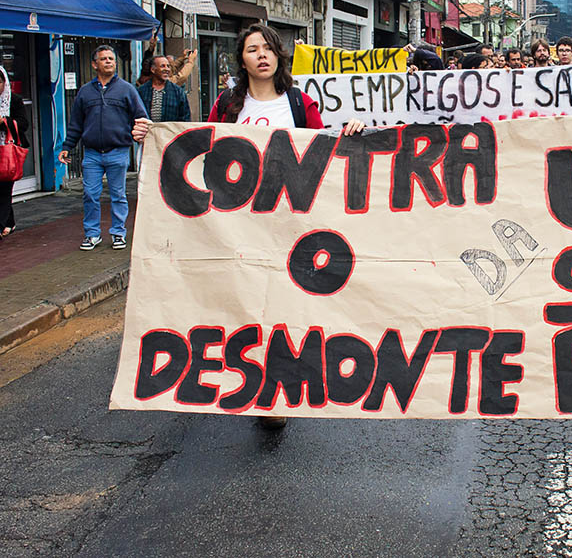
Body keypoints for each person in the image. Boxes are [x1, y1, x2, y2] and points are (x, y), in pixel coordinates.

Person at [133, 23, 363, 430]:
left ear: (278, 56)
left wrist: (351, 135)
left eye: (267, 48)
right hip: (239, 225)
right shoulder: (228, 105)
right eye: (252, 49)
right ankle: (261, 387)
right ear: (241, 59)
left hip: (292, 223)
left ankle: (276, 390)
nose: (261, 55)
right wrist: (155, 136)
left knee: (285, 306)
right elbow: (200, 148)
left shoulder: (299, 103)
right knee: (249, 302)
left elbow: (325, 156)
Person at [59, 45, 148, 251]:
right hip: (91, 154)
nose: (109, 61)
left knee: (118, 195)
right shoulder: (85, 92)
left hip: (118, 152)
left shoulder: (127, 89)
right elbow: (76, 124)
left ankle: (118, 233)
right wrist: (67, 146)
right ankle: (92, 235)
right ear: (94, 64)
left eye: (111, 58)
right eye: (104, 59)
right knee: (90, 194)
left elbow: (141, 118)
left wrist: (141, 137)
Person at [0, 66, 29, 240]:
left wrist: (4, 122)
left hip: (7, 152)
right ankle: (9, 222)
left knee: (4, 189)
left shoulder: (14, 100)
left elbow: (23, 124)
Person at [136, 56, 192, 124]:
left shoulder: (178, 92)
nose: (167, 69)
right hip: (147, 133)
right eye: (162, 66)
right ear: (153, 70)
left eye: (168, 66)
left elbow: (185, 118)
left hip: (171, 133)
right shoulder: (141, 91)